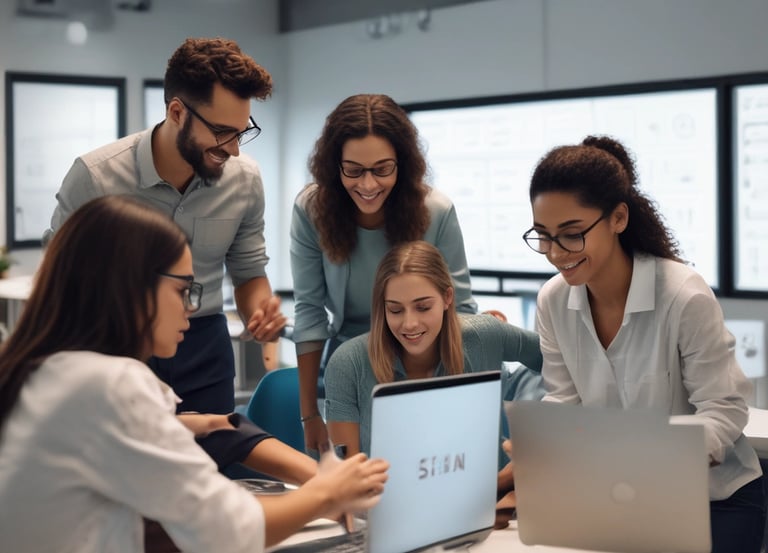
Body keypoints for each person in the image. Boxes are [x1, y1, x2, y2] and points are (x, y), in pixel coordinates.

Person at [0, 196, 388, 553]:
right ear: (133, 286)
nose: (192, 307)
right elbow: (225, 528)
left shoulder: (42, 370)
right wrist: (329, 491)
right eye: (183, 289)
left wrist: (181, 424)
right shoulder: (111, 384)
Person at [524, 135, 765, 553]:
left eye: (572, 234)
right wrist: (548, 445)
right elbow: (564, 403)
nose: (556, 253)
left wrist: (651, 459)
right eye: (543, 235)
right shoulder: (553, 300)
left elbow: (724, 408)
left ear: (618, 218)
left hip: (713, 500)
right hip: (619, 494)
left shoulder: (682, 295)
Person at [44, 37, 286, 414]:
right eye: (222, 132)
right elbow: (57, 279)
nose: (235, 148)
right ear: (176, 112)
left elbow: (249, 271)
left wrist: (260, 312)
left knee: (215, 459)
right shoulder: (95, 177)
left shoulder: (245, 179)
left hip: (205, 343)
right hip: (116, 345)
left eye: (242, 132)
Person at [290, 93, 477, 455]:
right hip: (348, 368)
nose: (369, 184)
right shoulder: (311, 210)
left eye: (382, 169)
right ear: (334, 167)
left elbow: (462, 311)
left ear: (402, 165)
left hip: (425, 368)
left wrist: (454, 400)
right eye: (354, 170)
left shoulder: (435, 211)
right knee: (355, 487)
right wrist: (310, 413)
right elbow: (309, 312)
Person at [323, 240, 541, 458]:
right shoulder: (348, 363)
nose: (409, 323)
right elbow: (346, 478)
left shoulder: (486, 334)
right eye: (395, 310)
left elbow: (561, 357)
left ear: (447, 298)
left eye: (423, 307)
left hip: (495, 489)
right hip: (387, 493)